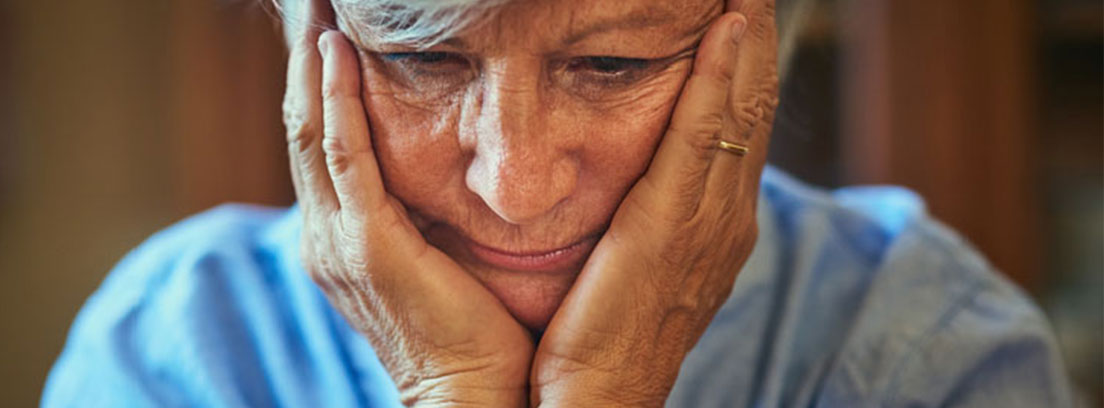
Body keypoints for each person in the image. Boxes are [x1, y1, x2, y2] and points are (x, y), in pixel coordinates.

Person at [42, 0, 1074, 406]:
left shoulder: (926, 348)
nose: (515, 184)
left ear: (762, 58)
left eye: (615, 65)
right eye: (423, 61)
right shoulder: (174, 347)